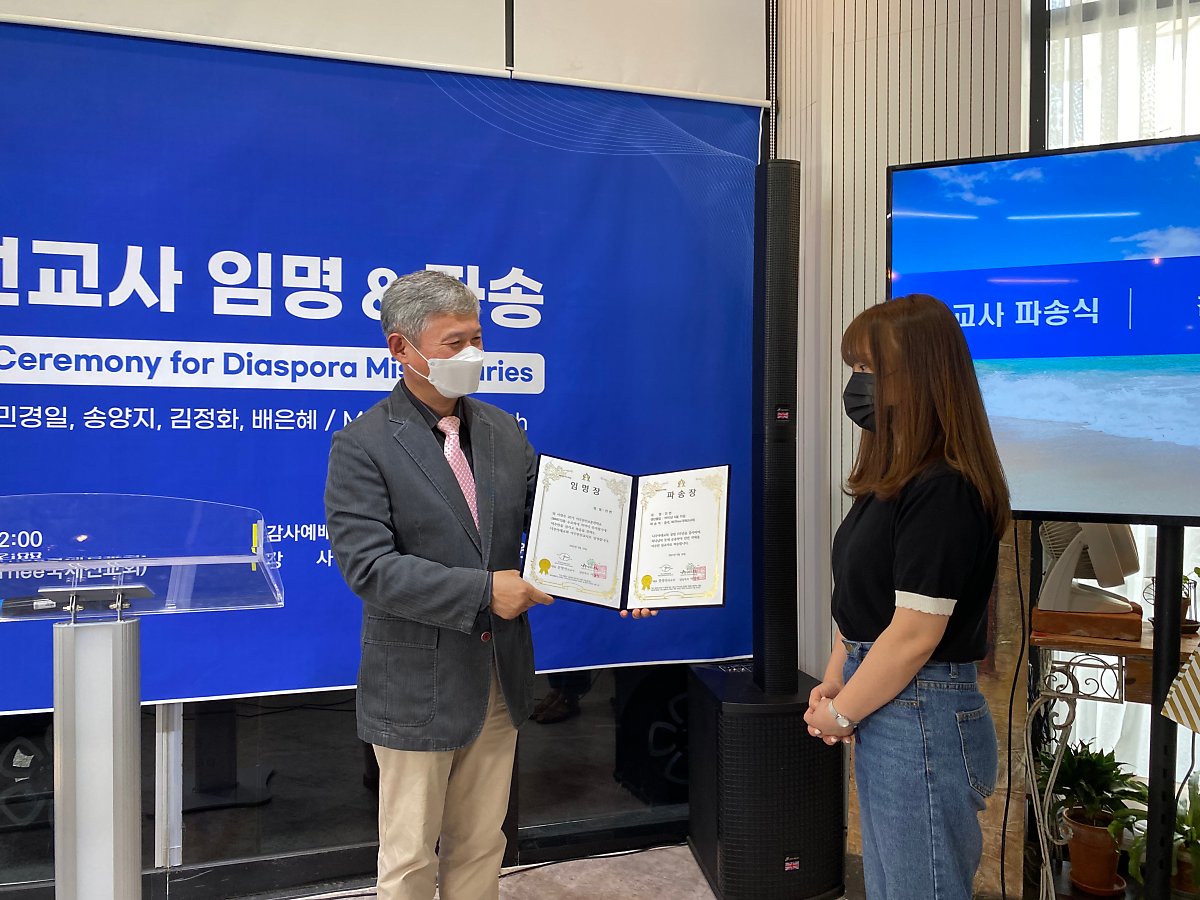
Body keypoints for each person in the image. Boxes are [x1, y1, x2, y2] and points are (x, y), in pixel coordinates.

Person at [324, 269, 652, 900]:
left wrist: (624, 575)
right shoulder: (362, 445)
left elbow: (555, 525)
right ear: (401, 348)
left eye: (477, 338)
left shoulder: (502, 430)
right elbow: (369, 567)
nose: (472, 354)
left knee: (481, 843)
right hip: (417, 685)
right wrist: (483, 591)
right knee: (409, 858)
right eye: (455, 343)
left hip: (501, 676)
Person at [804, 293, 1010, 900]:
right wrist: (836, 679)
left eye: (871, 369)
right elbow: (860, 604)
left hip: (921, 709)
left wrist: (842, 712)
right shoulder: (889, 483)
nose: (858, 385)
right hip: (887, 700)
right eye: (855, 369)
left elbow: (915, 635)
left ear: (922, 375)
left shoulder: (946, 487)